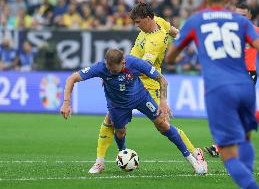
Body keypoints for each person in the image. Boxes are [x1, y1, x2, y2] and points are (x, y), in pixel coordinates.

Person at [165, 0, 259, 188]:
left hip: (219, 86)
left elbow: (170, 58)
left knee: (228, 154)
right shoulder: (241, 23)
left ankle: (236, 165)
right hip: (243, 83)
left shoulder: (196, 20)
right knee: (243, 132)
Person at [90, 3, 207, 174]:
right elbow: (175, 32)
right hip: (131, 77)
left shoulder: (156, 42)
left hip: (146, 83)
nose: (137, 25)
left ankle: (195, 152)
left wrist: (116, 76)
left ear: (147, 18)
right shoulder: (159, 21)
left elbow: (143, 66)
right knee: (111, 119)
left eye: (138, 22)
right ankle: (100, 161)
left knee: (163, 125)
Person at [60, 49, 207, 175]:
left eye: (114, 70)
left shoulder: (135, 63)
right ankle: (122, 155)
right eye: (109, 69)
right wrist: (66, 103)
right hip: (117, 106)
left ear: (123, 63)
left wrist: (163, 101)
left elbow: (162, 80)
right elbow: (72, 78)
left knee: (162, 124)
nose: (111, 72)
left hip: (141, 98)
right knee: (120, 133)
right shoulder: (101, 68)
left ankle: (193, 162)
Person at [204, 3, 259, 157]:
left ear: (250, 16)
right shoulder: (229, 30)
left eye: (243, 15)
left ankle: (219, 147)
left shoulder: (256, 31)